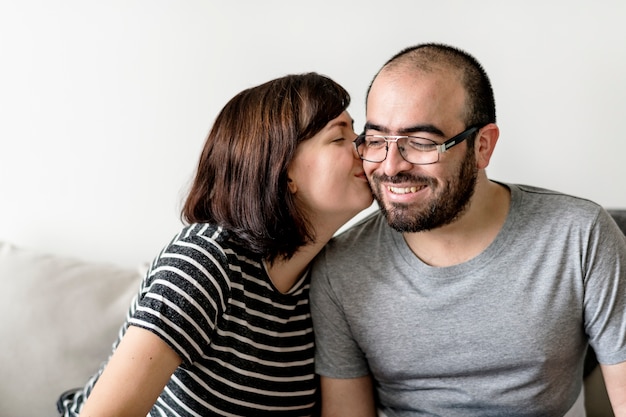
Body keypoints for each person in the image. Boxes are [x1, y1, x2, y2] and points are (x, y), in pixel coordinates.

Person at [309, 43, 626, 416]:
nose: (391, 167)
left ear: (482, 146)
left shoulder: (578, 236)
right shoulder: (340, 267)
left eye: (421, 143)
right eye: (377, 141)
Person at [57, 72, 373, 417]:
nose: (365, 147)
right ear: (284, 170)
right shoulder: (204, 262)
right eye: (339, 137)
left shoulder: (328, 278)